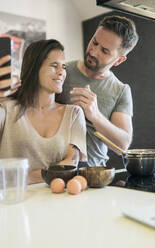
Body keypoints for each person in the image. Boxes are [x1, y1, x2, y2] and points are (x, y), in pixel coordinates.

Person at [0, 39, 87, 185]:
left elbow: (70, 164)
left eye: (64, 67)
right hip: (11, 200)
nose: (62, 72)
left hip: (53, 199)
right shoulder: (7, 107)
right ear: (34, 68)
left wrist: (24, 178)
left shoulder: (74, 114)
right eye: (54, 66)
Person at [56, 15, 139, 166]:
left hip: (95, 176)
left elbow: (122, 146)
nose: (93, 52)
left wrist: (95, 115)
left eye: (105, 51)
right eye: (94, 42)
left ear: (119, 60)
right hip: (55, 171)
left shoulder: (121, 90)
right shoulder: (62, 72)